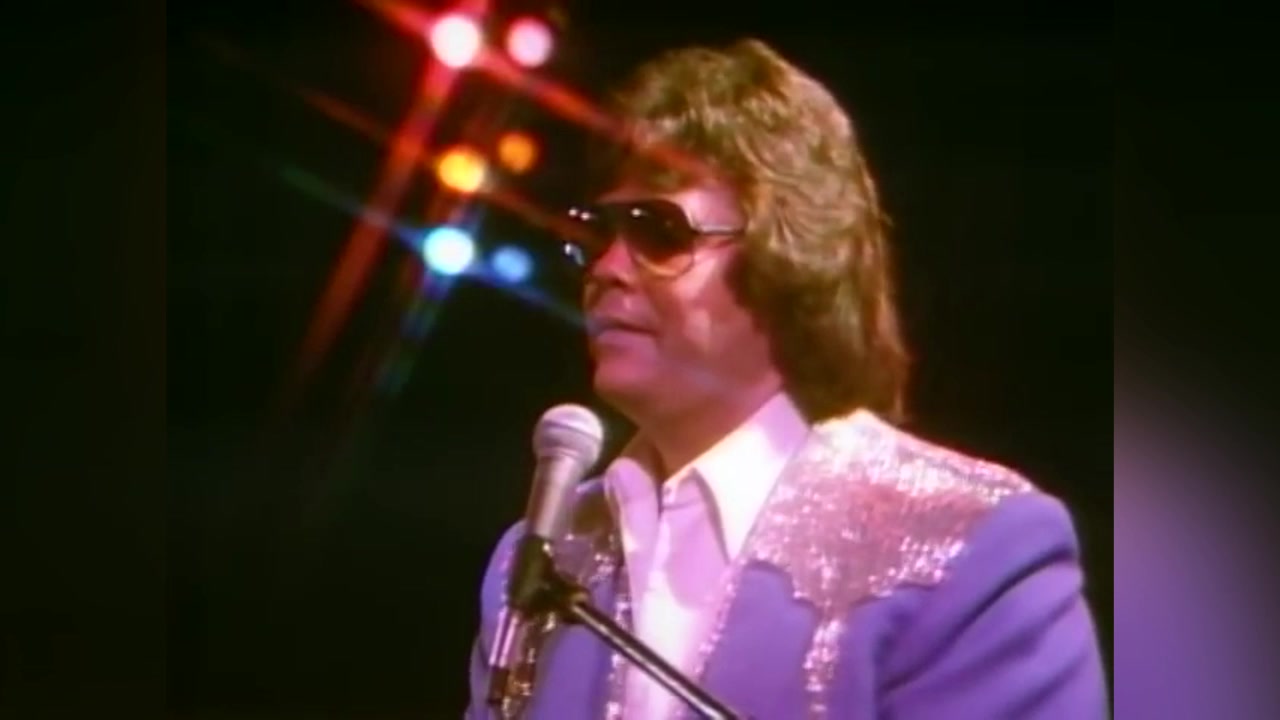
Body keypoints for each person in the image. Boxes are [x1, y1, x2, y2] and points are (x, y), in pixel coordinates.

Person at [465, 38, 1107, 719]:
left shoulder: (972, 546)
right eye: (600, 234)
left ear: (789, 258)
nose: (607, 270)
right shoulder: (536, 560)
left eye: (658, 232)